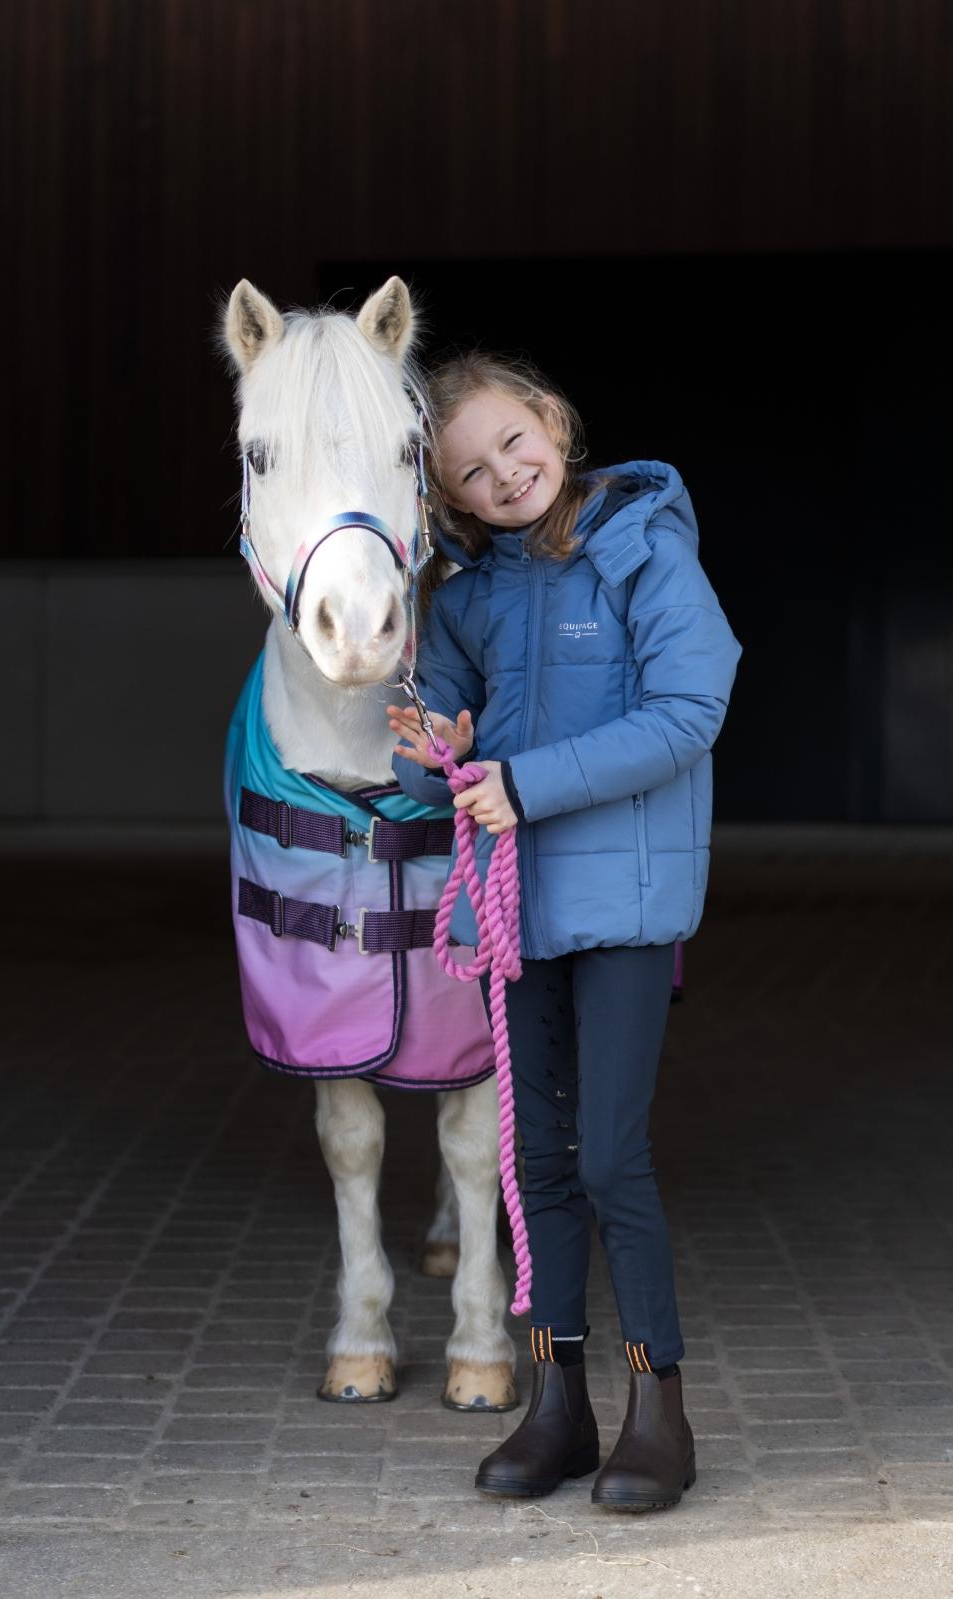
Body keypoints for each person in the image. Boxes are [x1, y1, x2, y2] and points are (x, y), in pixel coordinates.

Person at [388, 351, 741, 1511]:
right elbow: (446, 697)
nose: (503, 476)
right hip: (516, 905)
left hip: (624, 905)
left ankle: (658, 1407)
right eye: (472, 474)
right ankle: (559, 1407)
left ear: (551, 419)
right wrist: (427, 733)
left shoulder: (644, 547)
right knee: (532, 1162)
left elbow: (689, 709)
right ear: (448, 498)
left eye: (511, 443)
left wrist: (527, 784)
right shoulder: (472, 586)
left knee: (611, 1153)